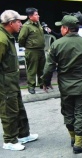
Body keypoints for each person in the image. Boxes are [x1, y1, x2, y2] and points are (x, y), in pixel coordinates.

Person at [41, 15, 82, 154]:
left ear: (66, 29)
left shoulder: (56, 44)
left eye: (61, 27)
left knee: (68, 112)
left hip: (65, 87)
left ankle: (73, 138)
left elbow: (49, 67)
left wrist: (45, 82)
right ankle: (79, 143)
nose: (60, 29)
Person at [0, 10, 38, 151]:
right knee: (9, 111)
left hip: (11, 82)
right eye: (18, 21)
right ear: (10, 23)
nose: (21, 24)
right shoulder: (1, 39)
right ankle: (9, 140)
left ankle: (23, 135)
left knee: (19, 109)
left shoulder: (7, 36)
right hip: (4, 84)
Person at [18, 7, 46, 94]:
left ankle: (42, 83)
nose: (38, 16)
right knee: (32, 69)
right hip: (32, 51)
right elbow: (21, 39)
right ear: (30, 16)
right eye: (36, 14)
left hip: (41, 50)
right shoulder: (26, 26)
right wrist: (28, 46)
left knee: (42, 68)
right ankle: (31, 86)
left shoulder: (38, 24)